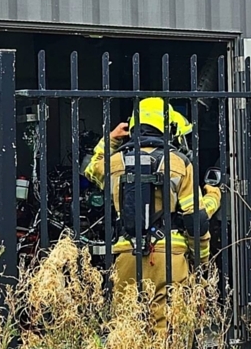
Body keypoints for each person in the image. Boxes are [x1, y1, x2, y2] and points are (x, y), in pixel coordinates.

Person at [84, 97, 222, 335]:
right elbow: (195, 219)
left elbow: (90, 168)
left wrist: (111, 139)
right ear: (168, 127)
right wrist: (201, 260)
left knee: (127, 326)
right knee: (168, 326)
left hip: (126, 253)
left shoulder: (114, 162)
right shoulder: (179, 163)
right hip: (170, 255)